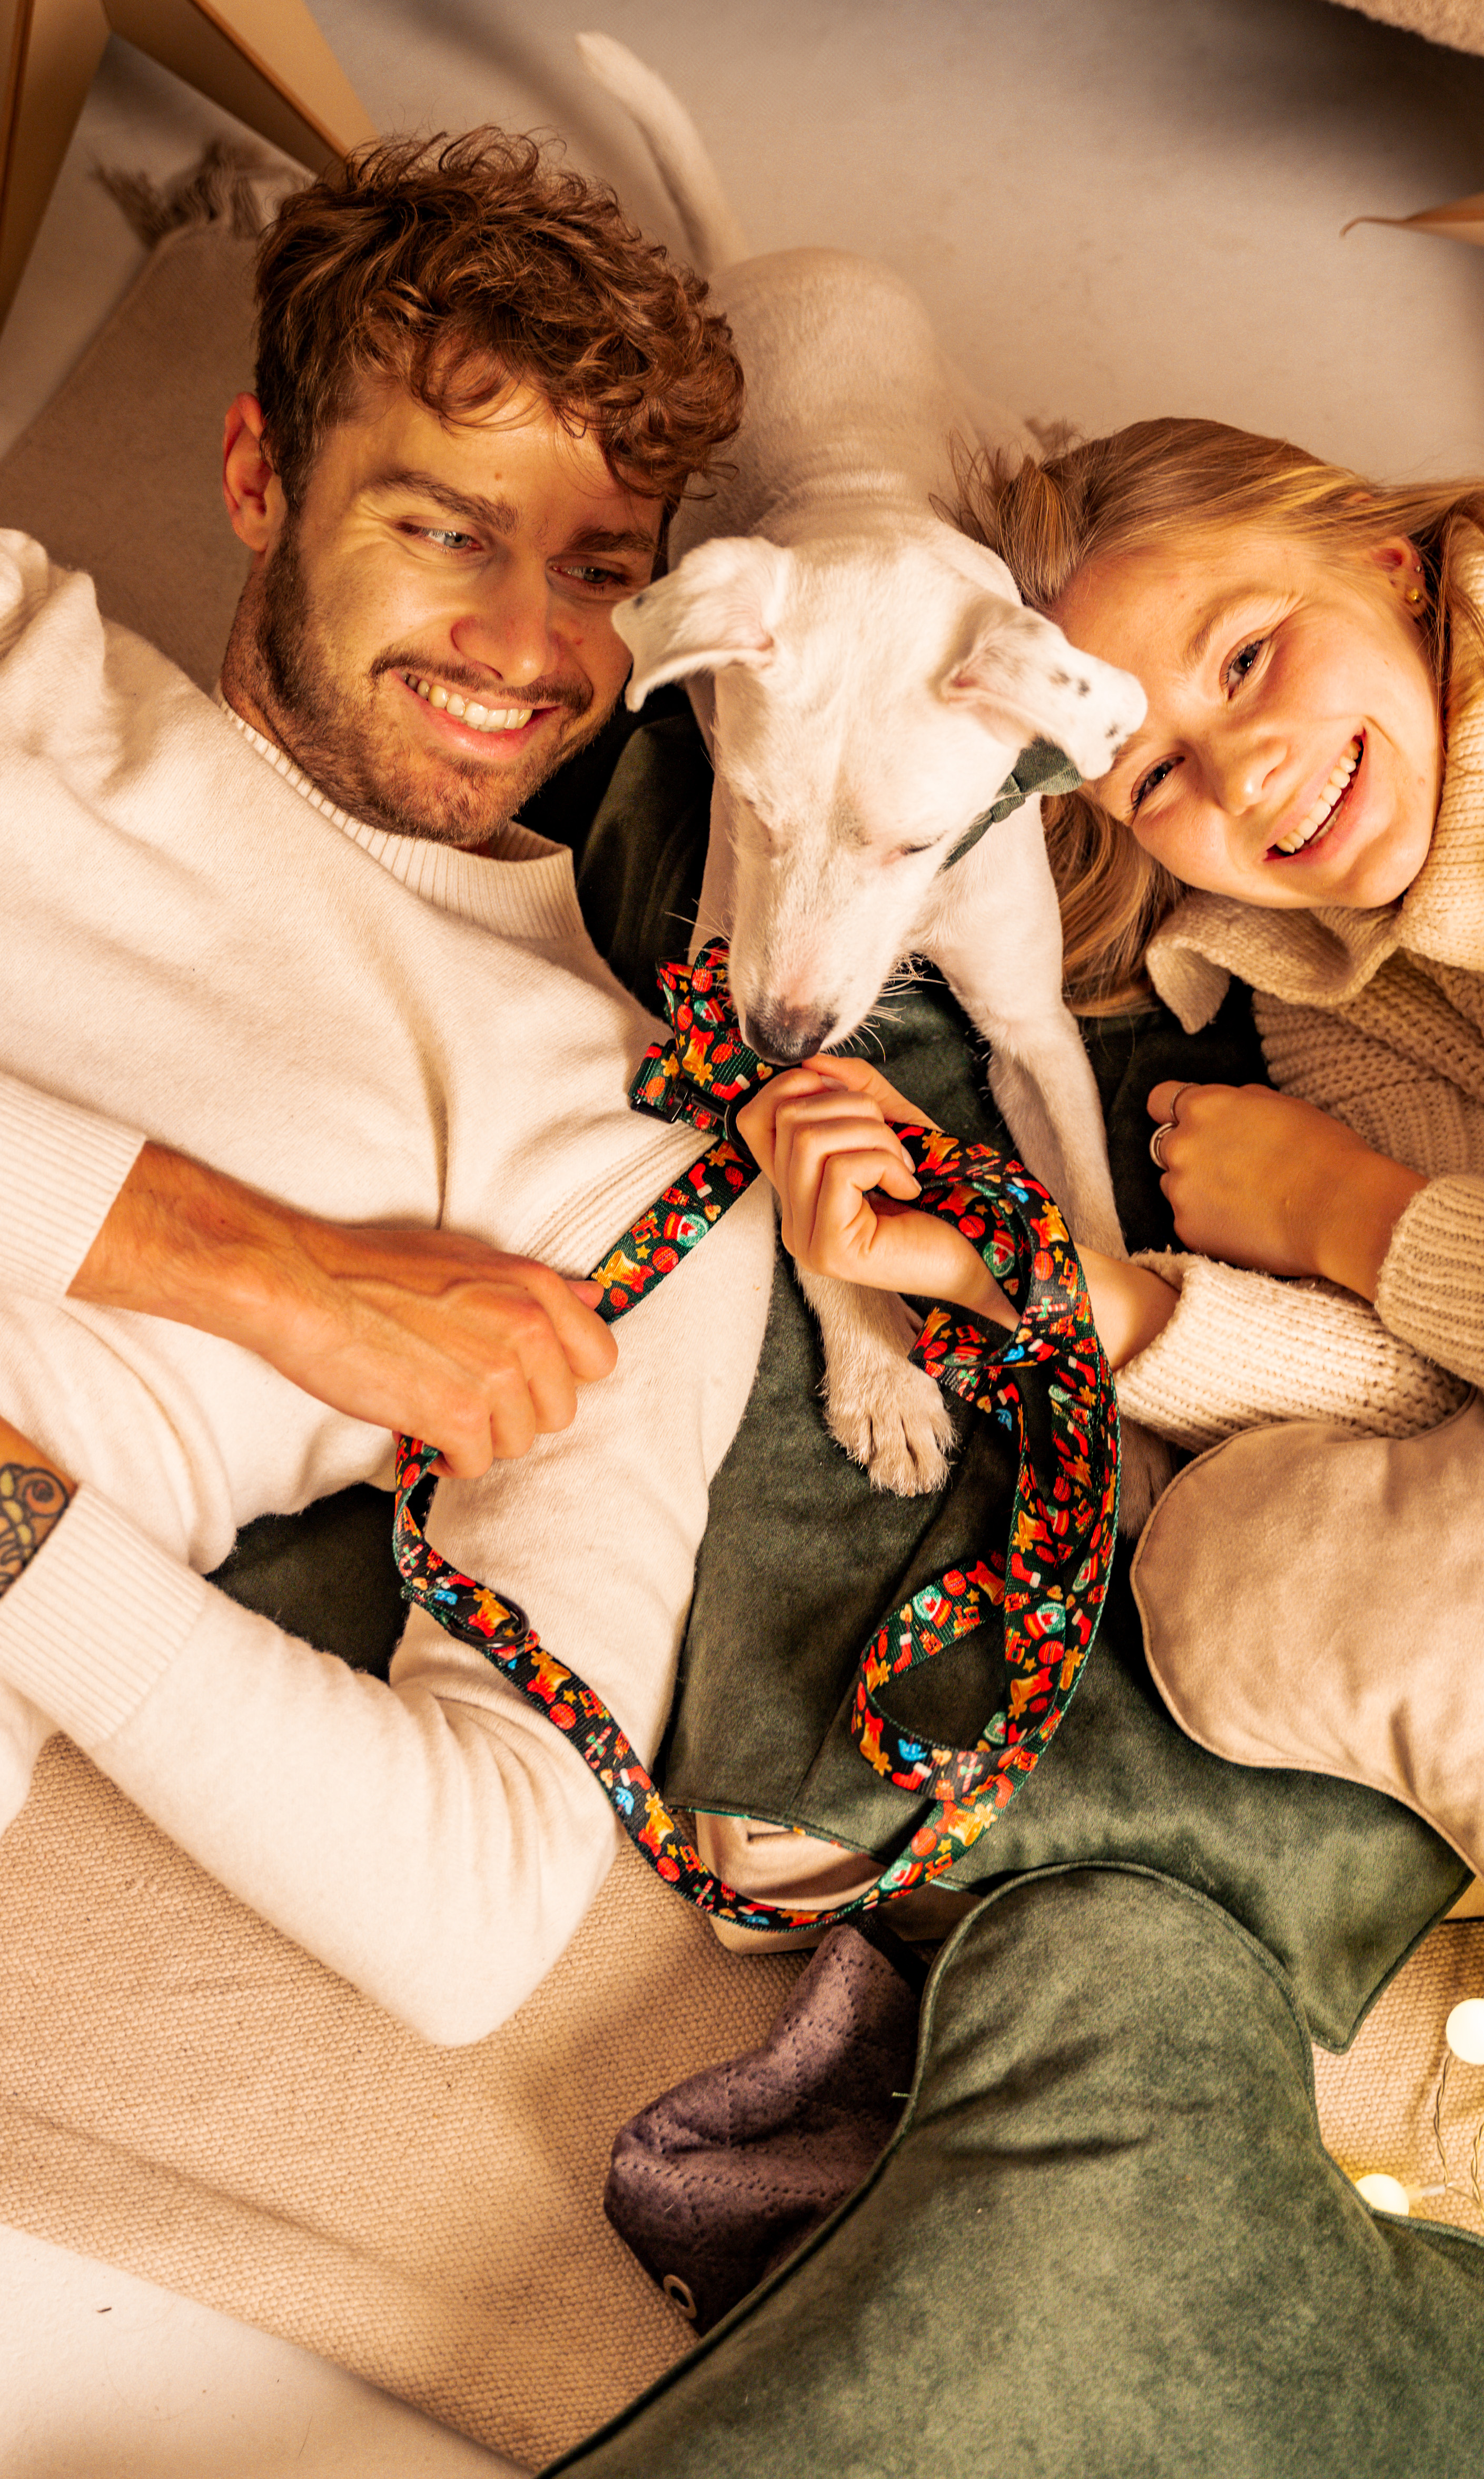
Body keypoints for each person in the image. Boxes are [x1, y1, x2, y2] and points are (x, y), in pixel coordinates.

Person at [0, 130, 772, 2046]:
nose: (525, 648)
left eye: (598, 570)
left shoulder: (624, 1150)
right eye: (446, 532)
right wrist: (257, 1267)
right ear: (259, 476)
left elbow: (474, 1905)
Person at [745, 418, 1484, 1517]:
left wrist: (1344, 1208)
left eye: (1247, 658)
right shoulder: (1319, 998)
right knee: (1226, 1558)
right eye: (1156, 776)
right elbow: (1467, 1381)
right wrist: (1021, 1273)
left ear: (1388, 565)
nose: (1244, 778)